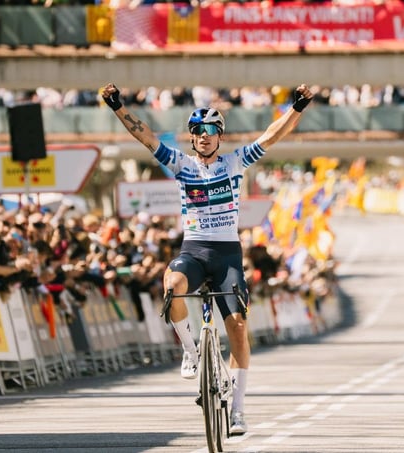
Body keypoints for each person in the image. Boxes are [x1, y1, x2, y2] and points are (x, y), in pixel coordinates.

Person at [101, 81, 313, 435]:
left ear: (219, 136)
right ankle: (190, 349)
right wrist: (117, 106)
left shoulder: (235, 162)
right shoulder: (181, 164)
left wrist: (297, 107)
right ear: (192, 137)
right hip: (194, 251)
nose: (203, 136)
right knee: (172, 284)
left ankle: (238, 411)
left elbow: (271, 135)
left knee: (238, 327)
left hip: (227, 255)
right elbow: (145, 136)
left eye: (210, 130)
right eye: (197, 131)